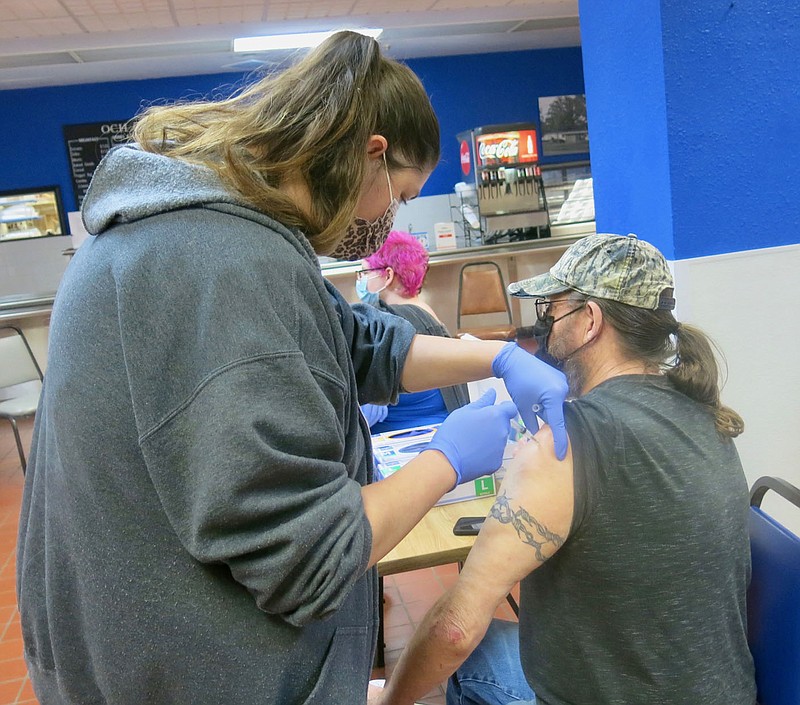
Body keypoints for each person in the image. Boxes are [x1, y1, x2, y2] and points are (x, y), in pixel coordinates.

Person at [16, 31, 571, 705]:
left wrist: (497, 355)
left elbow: (353, 341)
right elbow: (312, 555)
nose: (389, 217)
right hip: (184, 668)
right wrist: (448, 459)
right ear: (370, 155)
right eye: (397, 194)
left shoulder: (224, 230)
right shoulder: (219, 261)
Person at [372, 233, 756, 705]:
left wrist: (386, 701)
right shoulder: (708, 413)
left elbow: (455, 630)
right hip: (721, 691)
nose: (545, 327)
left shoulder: (562, 443)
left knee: (464, 644)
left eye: (551, 311)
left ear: (590, 320)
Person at [356, 230, 469, 432]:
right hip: (445, 430)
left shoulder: (387, 322)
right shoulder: (428, 315)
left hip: (403, 440)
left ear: (387, 276)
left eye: (365, 273)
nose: (361, 280)